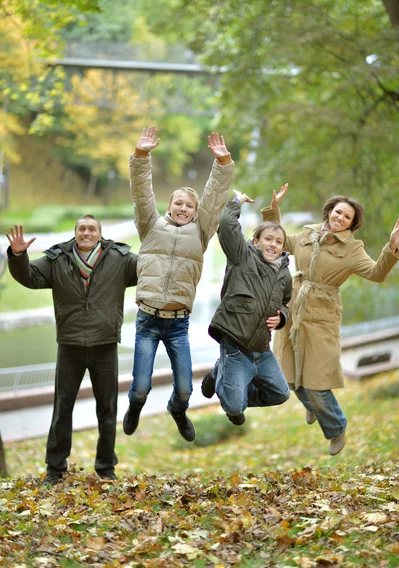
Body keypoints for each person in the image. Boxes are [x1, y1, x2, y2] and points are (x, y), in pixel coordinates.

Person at [260, 186, 399, 455]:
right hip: (292, 310)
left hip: (322, 317)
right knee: (286, 376)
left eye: (347, 217)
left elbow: (376, 273)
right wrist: (273, 210)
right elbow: (276, 239)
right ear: (329, 211)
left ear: (352, 223)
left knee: (316, 382)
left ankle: (335, 427)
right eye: (338, 212)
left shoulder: (352, 250)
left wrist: (392, 247)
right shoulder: (306, 234)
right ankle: (312, 407)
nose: (340, 218)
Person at [6, 217, 138, 485]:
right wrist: (18, 256)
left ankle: (105, 468)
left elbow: (150, 268)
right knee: (62, 409)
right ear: (75, 233)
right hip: (70, 345)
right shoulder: (58, 258)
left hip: (105, 344)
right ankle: (55, 470)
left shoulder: (120, 258)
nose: (86, 233)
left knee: (107, 410)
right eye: (82, 229)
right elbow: (29, 277)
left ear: (100, 234)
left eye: (92, 229)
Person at [123, 126, 234, 442]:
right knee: (141, 386)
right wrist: (141, 155)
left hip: (177, 324)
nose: (184, 208)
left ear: (196, 213)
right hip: (147, 321)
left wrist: (222, 164)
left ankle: (177, 409)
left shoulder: (201, 232)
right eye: (179, 203)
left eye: (190, 205)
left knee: (185, 388)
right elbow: (141, 193)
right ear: (169, 207)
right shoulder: (150, 226)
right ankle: (134, 406)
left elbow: (213, 198)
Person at [200, 190, 292, 425]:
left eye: (278, 241)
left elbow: (285, 302)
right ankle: (226, 380)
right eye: (268, 239)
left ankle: (228, 382)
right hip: (236, 344)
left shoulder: (284, 273)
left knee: (280, 394)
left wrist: (282, 317)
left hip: (261, 347)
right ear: (256, 241)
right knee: (233, 408)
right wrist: (236, 202)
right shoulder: (241, 256)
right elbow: (226, 224)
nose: (273, 244)